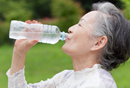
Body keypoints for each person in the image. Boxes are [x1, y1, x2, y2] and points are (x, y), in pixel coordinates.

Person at [6, 2, 130, 88]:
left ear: (98, 42)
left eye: (80, 25)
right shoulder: (65, 77)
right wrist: (19, 52)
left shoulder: (99, 83)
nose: (70, 29)